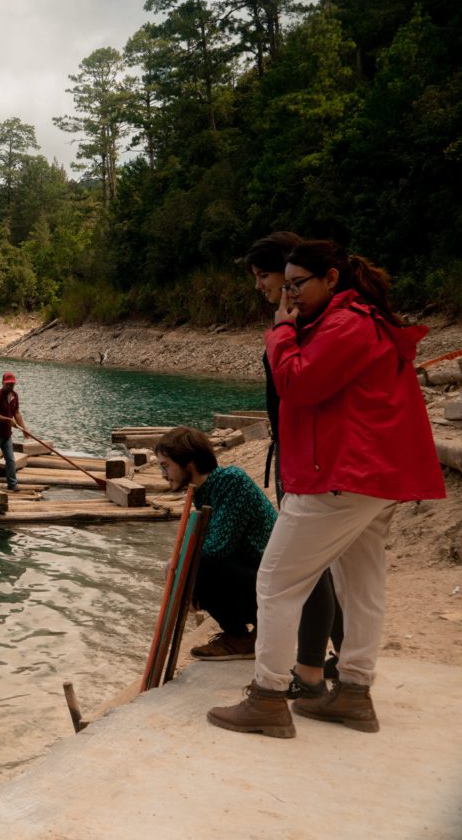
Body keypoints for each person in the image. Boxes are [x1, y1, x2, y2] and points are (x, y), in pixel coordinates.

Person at [208, 241, 445, 738]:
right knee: (361, 585)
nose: (288, 295)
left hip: (341, 474)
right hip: (369, 475)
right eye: (286, 285)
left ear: (332, 278)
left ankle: (268, 697)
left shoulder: (346, 324)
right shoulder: (362, 319)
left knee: (275, 582)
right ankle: (354, 693)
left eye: (297, 284)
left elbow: (297, 383)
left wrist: (281, 330)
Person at [241, 232, 344, 697]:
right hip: (302, 453)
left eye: (264, 277)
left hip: (306, 457)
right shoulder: (307, 322)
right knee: (327, 567)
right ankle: (338, 660)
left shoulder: (304, 326)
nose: (260, 286)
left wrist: (282, 330)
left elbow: (297, 388)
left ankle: (304, 675)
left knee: (298, 571)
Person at [154, 427, 277, 660]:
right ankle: (241, 635)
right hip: (257, 577)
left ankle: (239, 637)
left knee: (199, 563)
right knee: (194, 564)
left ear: (188, 463)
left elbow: (218, 548)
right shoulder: (205, 490)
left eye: (165, 465)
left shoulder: (230, 480)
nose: (163, 473)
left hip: (273, 582)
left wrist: (183, 574)